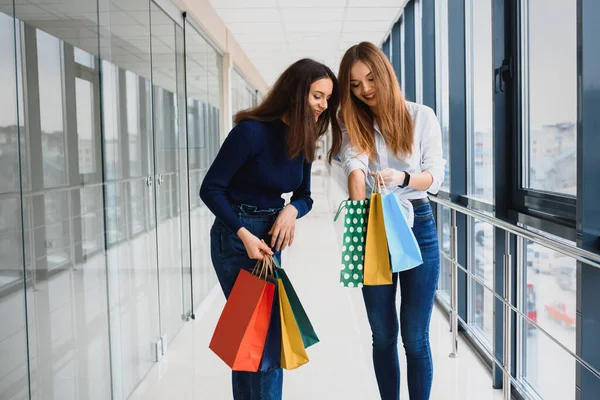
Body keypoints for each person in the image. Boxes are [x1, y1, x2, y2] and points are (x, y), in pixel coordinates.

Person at [199, 58, 341, 400]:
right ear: (296, 92)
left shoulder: (303, 138)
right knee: (264, 339)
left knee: (249, 339)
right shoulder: (250, 132)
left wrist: (292, 209)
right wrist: (243, 234)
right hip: (237, 238)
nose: (324, 105)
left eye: (327, 99)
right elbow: (211, 188)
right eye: (317, 96)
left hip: (270, 239)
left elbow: (304, 196)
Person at [337, 42, 446, 400]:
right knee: (382, 334)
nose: (365, 89)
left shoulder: (421, 116)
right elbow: (353, 161)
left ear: (384, 74)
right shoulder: (351, 120)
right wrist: (358, 198)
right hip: (373, 224)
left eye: (370, 78)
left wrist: (402, 179)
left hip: (418, 225)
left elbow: (435, 176)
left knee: (415, 337)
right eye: (354, 84)